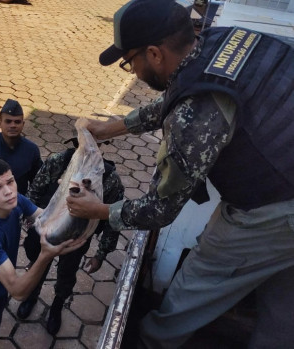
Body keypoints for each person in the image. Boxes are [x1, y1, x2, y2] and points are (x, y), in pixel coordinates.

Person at [66, 0, 294, 347]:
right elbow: (178, 95)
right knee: (283, 303)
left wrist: (100, 211)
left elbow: (160, 209)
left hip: (274, 210)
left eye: (130, 62)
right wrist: (111, 127)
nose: (134, 72)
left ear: (155, 54)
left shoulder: (194, 117)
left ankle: (151, 341)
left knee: (200, 282)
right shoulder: (220, 42)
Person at [0, 158, 85, 349]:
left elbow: (45, 217)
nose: (8, 191)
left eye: (10, 181)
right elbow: (18, 291)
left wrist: (68, 195)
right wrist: (45, 255)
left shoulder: (15, 201)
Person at [17, 139, 125, 335]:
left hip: (76, 240)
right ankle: (31, 296)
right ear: (76, 143)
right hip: (47, 232)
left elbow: (112, 220)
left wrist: (101, 254)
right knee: (38, 265)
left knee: (67, 275)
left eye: (93, 146)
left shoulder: (109, 178)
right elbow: (35, 190)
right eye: (83, 145)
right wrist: (31, 219)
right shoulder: (58, 161)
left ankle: (57, 307)